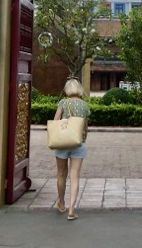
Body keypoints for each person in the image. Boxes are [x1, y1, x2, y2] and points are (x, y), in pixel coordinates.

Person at [52, 78, 92, 221]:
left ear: (67, 90)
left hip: (62, 142)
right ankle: (71, 210)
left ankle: (61, 203)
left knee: (61, 174)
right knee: (74, 176)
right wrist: (83, 137)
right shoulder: (84, 105)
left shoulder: (63, 103)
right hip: (78, 143)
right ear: (79, 89)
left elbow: (55, 122)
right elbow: (85, 126)